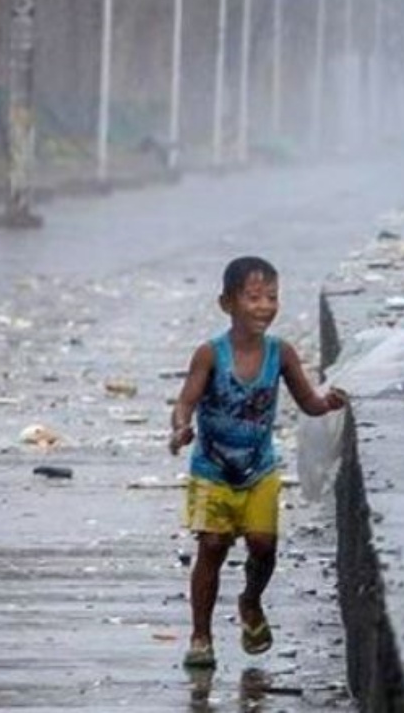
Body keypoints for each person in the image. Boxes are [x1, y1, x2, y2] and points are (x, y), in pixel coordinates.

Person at [168, 256, 346, 669]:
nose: (265, 306)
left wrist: (330, 403)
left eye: (272, 297)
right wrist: (180, 429)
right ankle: (201, 636)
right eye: (253, 297)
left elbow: (309, 402)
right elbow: (186, 401)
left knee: (263, 546)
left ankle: (250, 601)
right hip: (211, 469)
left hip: (260, 468)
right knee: (210, 547)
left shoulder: (280, 353)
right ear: (226, 303)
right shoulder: (210, 355)